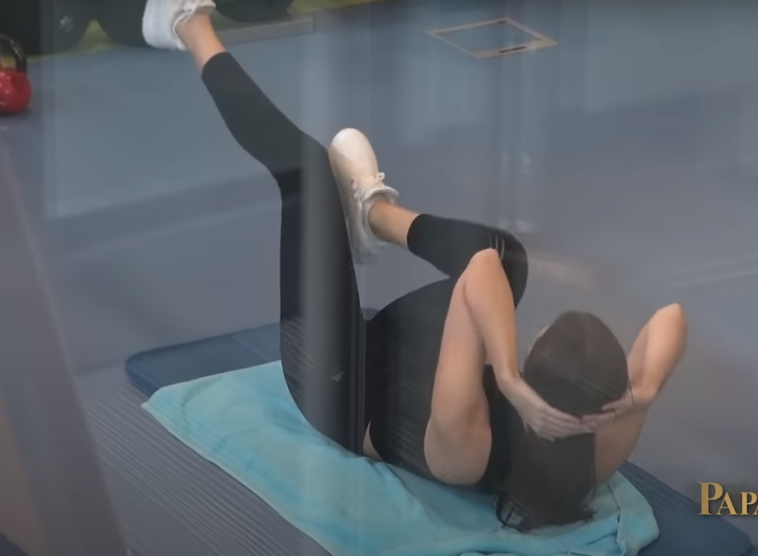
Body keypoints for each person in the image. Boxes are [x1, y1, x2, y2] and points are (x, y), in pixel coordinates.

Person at [130, 0, 688, 530]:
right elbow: (672, 318)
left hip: (335, 377)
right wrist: (643, 394)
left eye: (539, 338)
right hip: (411, 358)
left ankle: (185, 24)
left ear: (535, 361)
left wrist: (507, 377)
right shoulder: (600, 446)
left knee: (308, 172)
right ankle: (374, 214)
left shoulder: (469, 445)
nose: (533, 333)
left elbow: (478, 272)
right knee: (509, 256)